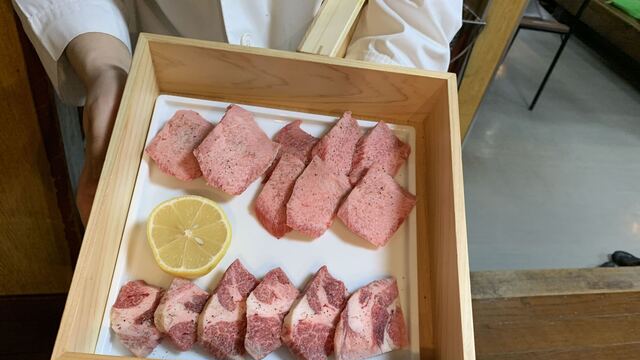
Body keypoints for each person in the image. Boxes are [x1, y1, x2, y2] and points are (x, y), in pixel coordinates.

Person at [13, 0, 462, 224]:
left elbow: (416, 14)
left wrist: (361, 124)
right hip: (165, 80)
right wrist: (105, 67)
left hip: (335, 70)